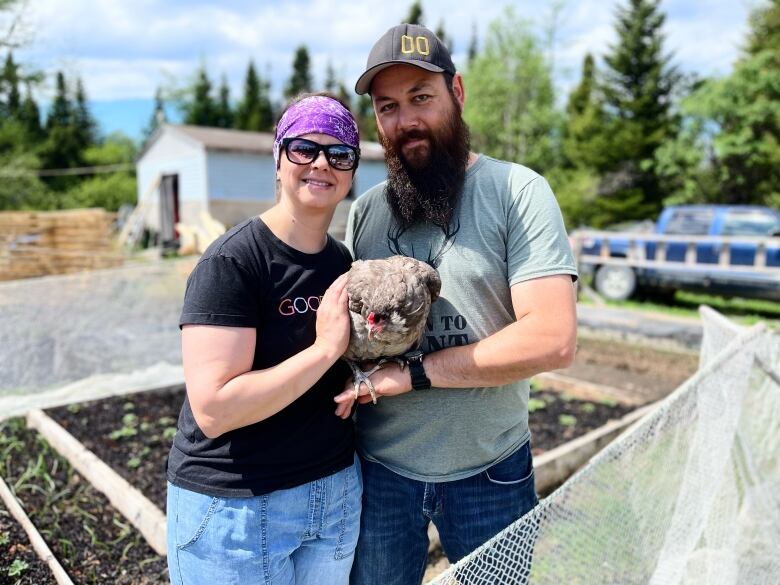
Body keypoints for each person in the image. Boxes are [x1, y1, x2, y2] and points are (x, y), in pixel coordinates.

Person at [334, 24, 578, 585]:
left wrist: (410, 375)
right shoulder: (367, 212)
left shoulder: (518, 191)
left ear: (458, 93)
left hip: (489, 474)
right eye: (389, 106)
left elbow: (552, 338)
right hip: (379, 477)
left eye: (422, 97)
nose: (407, 120)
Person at [166, 93, 362, 585]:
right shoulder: (233, 263)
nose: (321, 163)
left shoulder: (342, 262)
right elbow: (215, 410)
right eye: (304, 149)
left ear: (352, 171)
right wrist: (324, 351)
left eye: (339, 154)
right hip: (238, 506)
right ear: (278, 159)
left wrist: (359, 379)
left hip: (333, 495)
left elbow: (332, 364)